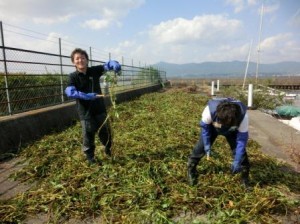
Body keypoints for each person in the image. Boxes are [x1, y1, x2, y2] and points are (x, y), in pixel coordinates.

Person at [65, 48, 121, 165]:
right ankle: (90, 158)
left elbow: (106, 66)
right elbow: (70, 91)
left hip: (99, 108)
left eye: (83, 58)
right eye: (77, 58)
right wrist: (85, 96)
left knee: (105, 131)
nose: (80, 60)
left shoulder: (93, 71)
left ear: (87, 60)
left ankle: (108, 150)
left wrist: (113, 63)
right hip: (85, 112)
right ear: (73, 62)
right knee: (88, 134)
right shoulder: (73, 77)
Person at [187, 97, 250, 187]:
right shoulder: (209, 112)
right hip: (213, 128)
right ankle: (191, 169)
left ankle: (244, 178)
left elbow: (241, 140)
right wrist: (207, 145)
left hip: (233, 130)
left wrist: (237, 160)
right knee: (200, 148)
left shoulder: (243, 117)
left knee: (241, 153)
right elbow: (205, 129)